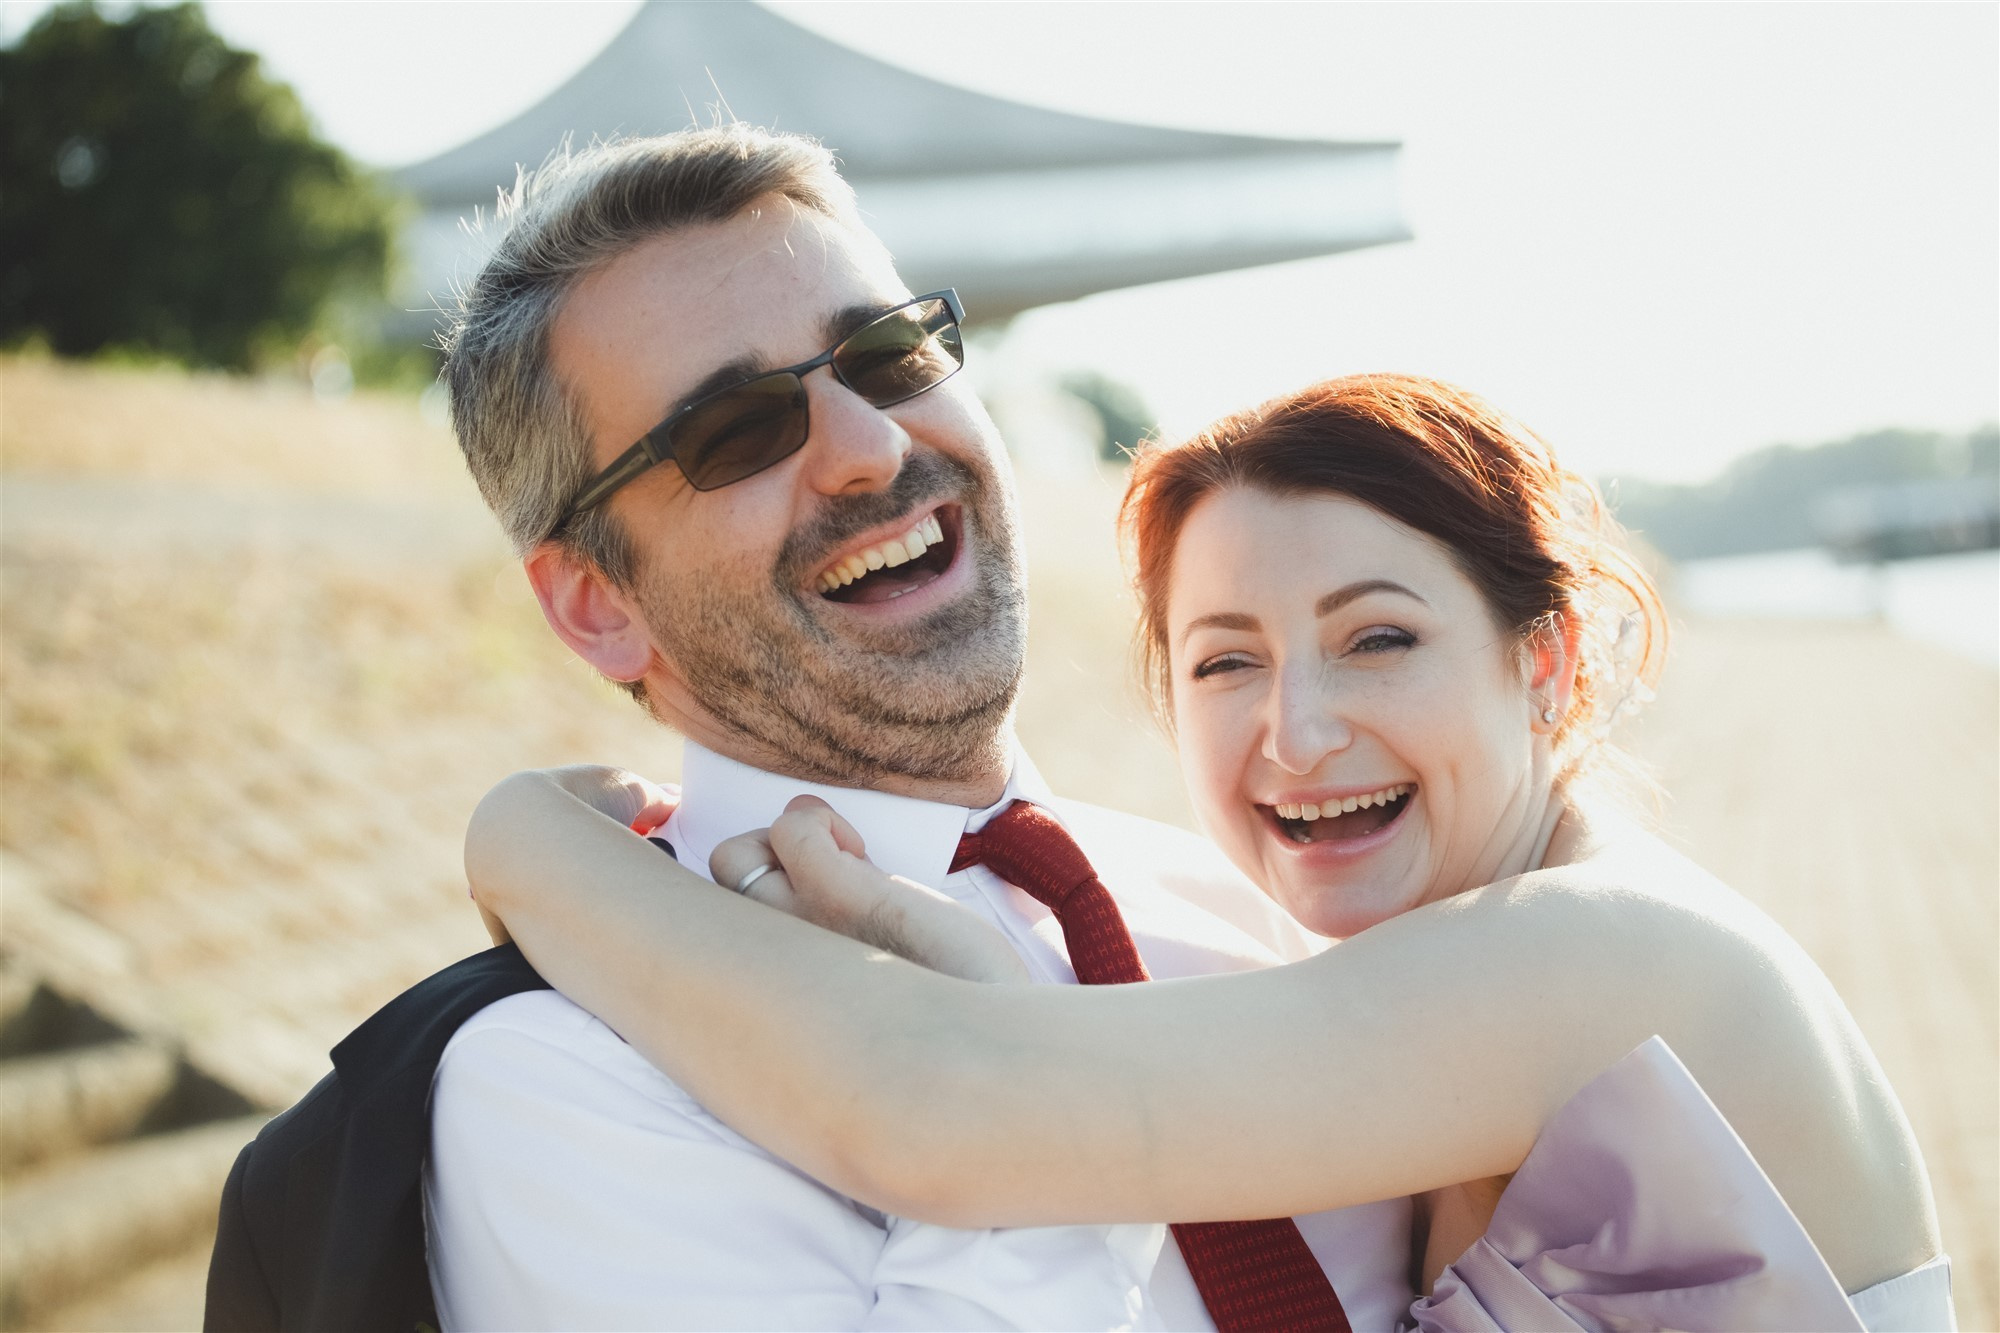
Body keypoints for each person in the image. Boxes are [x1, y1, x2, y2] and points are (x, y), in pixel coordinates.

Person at [467, 376, 1957, 1330]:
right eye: (1226, 662)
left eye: (1379, 638)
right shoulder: (1362, 998)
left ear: (1549, 661)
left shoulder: (1604, 958)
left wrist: (528, 839)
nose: (1297, 735)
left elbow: (931, 1109)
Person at [402, 125, 1421, 1331]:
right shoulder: (560, 1086)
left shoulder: (1245, 904)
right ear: (597, 604)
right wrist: (1008, 1091)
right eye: (734, 430)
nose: (871, 447)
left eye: (886, 356)